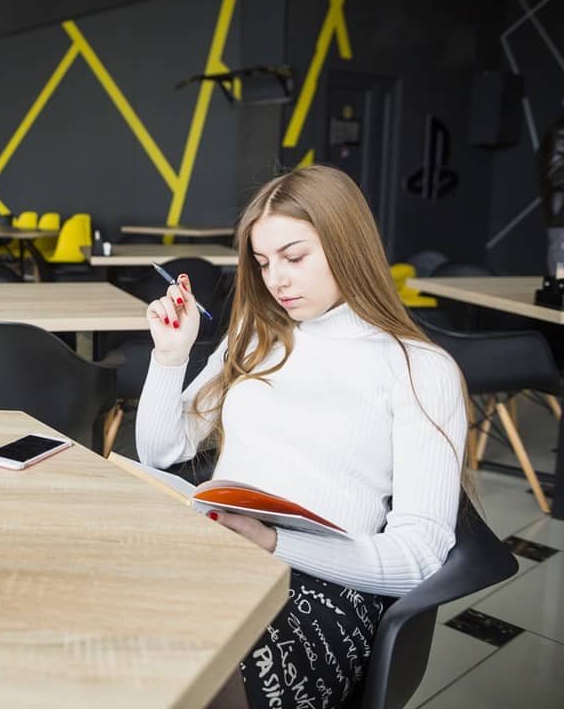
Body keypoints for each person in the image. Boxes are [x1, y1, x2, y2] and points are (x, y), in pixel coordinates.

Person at [136, 165, 466, 709]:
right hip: (217, 554)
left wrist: (274, 542)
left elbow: (419, 558)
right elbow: (162, 451)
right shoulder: (254, 336)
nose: (276, 280)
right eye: (263, 263)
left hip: (324, 592)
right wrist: (170, 358)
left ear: (346, 244)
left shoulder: (418, 368)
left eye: (295, 257)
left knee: (190, 656)